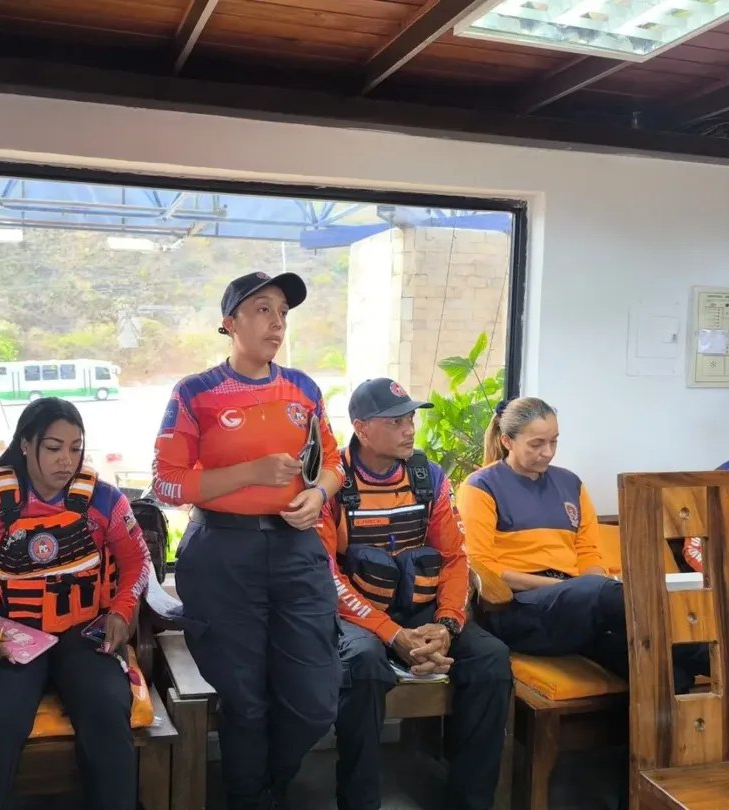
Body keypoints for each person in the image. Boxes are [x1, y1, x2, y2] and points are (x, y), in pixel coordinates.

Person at [152, 270, 345, 810]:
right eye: (262, 309)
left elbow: (333, 462)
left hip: (296, 550)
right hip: (222, 553)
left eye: (282, 311)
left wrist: (319, 494)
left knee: (315, 701)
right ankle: (252, 798)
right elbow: (166, 483)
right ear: (229, 322)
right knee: (245, 702)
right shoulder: (196, 392)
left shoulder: (303, 389)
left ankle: (269, 787)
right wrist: (250, 473)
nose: (276, 322)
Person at [0, 397, 149, 810]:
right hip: (9, 637)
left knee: (108, 713)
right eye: (53, 447)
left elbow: (137, 561)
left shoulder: (105, 500)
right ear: (25, 444)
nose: (66, 460)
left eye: (76, 448)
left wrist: (122, 610)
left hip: (84, 634)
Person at [317, 378, 512, 810]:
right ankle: (359, 802)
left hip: (422, 610)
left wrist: (446, 626)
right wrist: (392, 634)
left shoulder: (429, 477)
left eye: (410, 418)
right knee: (363, 665)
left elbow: (454, 558)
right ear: (362, 428)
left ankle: (471, 802)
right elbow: (325, 576)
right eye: (395, 422)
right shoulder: (333, 484)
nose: (409, 429)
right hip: (358, 618)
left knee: (492, 659)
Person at [457, 396, 708, 693]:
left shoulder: (571, 484)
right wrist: (569, 588)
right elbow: (484, 566)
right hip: (519, 610)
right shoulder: (481, 486)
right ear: (507, 441)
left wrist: (584, 586)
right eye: (536, 444)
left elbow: (588, 552)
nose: (547, 452)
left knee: (672, 677)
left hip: (579, 606)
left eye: (554, 441)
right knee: (600, 592)